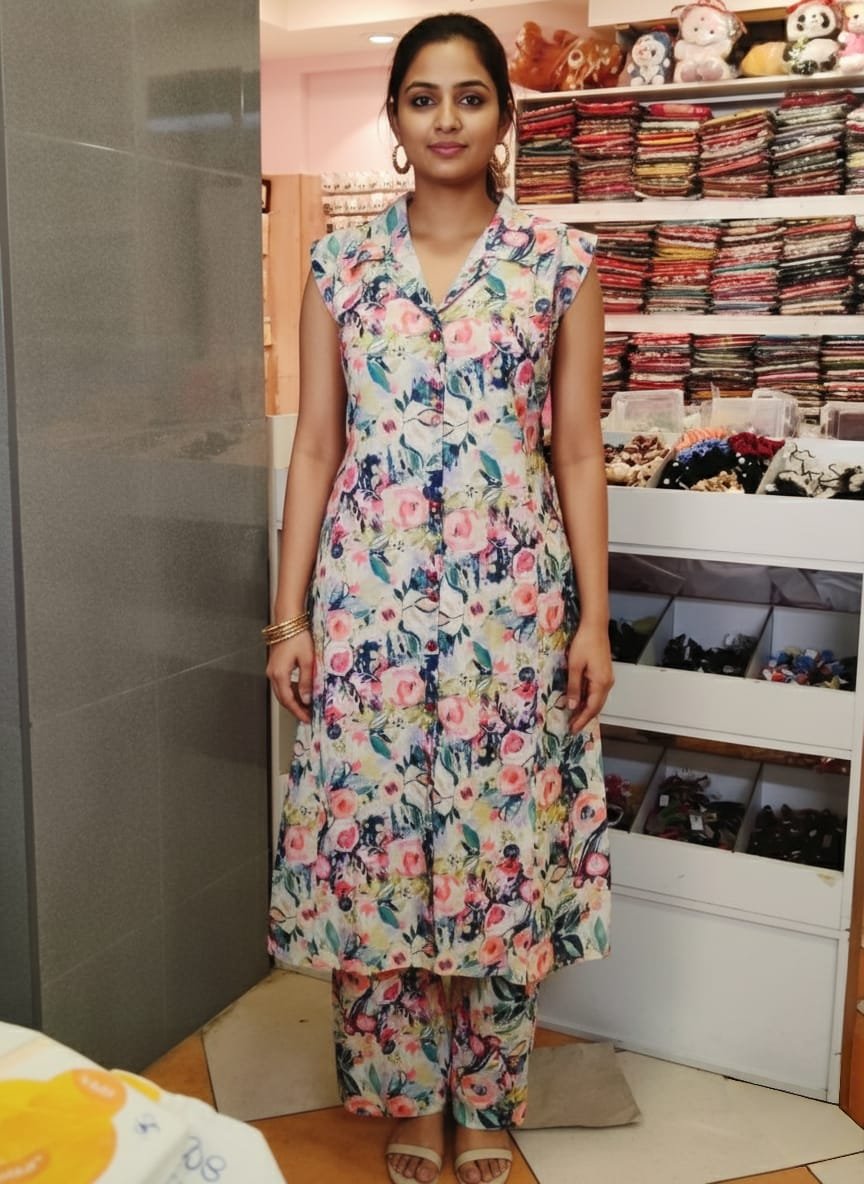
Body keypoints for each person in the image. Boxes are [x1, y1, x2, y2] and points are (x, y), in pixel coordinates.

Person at [266, 12, 613, 1184]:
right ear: (397, 117)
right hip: (365, 609)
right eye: (423, 97)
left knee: (496, 845)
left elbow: (578, 452)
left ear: (504, 116)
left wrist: (593, 616)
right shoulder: (340, 265)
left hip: (509, 611)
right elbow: (318, 446)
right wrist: (290, 616)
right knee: (379, 838)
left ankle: (485, 1097)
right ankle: (406, 1091)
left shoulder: (559, 263)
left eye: (471, 96)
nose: (447, 119)